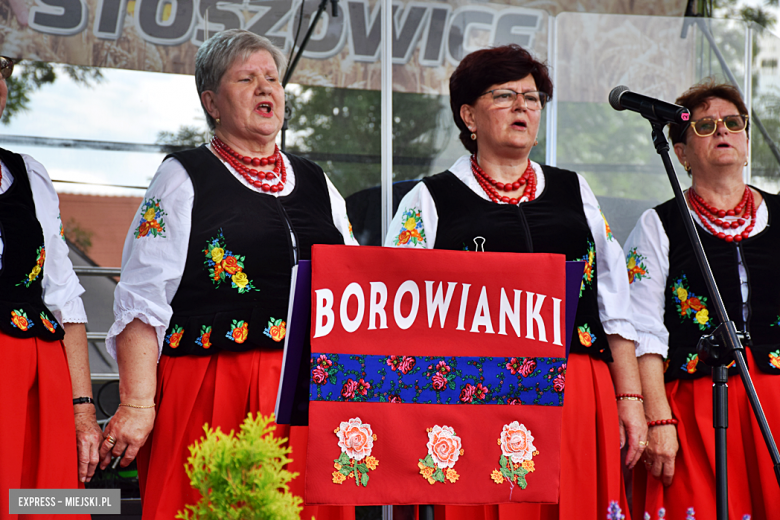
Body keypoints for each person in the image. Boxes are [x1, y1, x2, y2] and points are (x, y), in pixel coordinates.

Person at [99, 30, 357, 519]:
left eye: (273, 79)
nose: (266, 89)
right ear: (211, 102)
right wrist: (136, 404)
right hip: (214, 384)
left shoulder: (320, 183)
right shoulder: (183, 176)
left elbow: (355, 287)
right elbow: (141, 298)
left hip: (307, 392)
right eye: (247, 78)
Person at [385, 44, 646, 520]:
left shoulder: (574, 191)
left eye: (532, 96)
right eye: (505, 95)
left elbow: (615, 303)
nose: (523, 105)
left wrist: (629, 398)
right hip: (473, 398)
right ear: (468, 115)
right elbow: (396, 310)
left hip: (576, 389)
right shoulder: (430, 200)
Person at [625, 80, 780, 520]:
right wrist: (658, 420)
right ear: (681, 153)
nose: (723, 132)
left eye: (733, 123)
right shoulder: (659, 225)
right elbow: (642, 330)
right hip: (695, 404)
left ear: (748, 141)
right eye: (707, 125)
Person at [0, 55, 103, 517]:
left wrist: (83, 411)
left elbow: (64, 299)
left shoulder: (31, 175)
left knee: (41, 504)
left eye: (2, 72)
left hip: (37, 387)